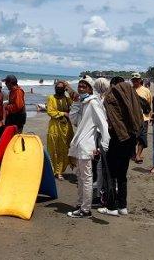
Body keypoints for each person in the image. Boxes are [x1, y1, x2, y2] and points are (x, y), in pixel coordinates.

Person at [67, 77, 110, 218]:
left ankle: (85, 209)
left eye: (84, 86)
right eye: (79, 86)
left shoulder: (93, 103)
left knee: (86, 178)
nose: (80, 88)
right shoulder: (83, 103)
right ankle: (80, 204)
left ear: (90, 89)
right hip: (80, 145)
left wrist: (104, 143)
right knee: (80, 176)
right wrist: (75, 104)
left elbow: (103, 124)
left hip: (86, 146)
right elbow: (75, 121)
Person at [99, 81, 144, 216]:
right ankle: (122, 206)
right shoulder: (132, 100)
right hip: (131, 139)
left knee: (111, 174)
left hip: (117, 139)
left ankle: (111, 207)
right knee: (122, 175)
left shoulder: (112, 100)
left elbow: (112, 121)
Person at [47, 81, 75, 180]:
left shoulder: (67, 99)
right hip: (55, 127)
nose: (59, 89)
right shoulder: (51, 98)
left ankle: (61, 170)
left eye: (61, 88)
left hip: (66, 127)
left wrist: (69, 88)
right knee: (55, 149)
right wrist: (63, 114)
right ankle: (56, 171)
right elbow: (50, 111)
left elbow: (76, 103)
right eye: (57, 87)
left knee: (65, 148)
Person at [131, 73, 152, 164]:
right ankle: (133, 154)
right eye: (134, 80)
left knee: (142, 137)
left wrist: (149, 116)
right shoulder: (129, 90)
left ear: (140, 80)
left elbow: (148, 104)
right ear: (132, 80)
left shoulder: (146, 91)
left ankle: (138, 155)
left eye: (137, 79)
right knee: (132, 138)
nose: (135, 81)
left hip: (144, 118)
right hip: (131, 118)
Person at [0, 74, 26, 139]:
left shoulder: (18, 91)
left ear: (10, 83)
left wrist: (7, 107)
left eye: (6, 83)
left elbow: (18, 106)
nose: (5, 84)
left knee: (16, 136)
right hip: (14, 116)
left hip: (19, 117)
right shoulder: (12, 91)